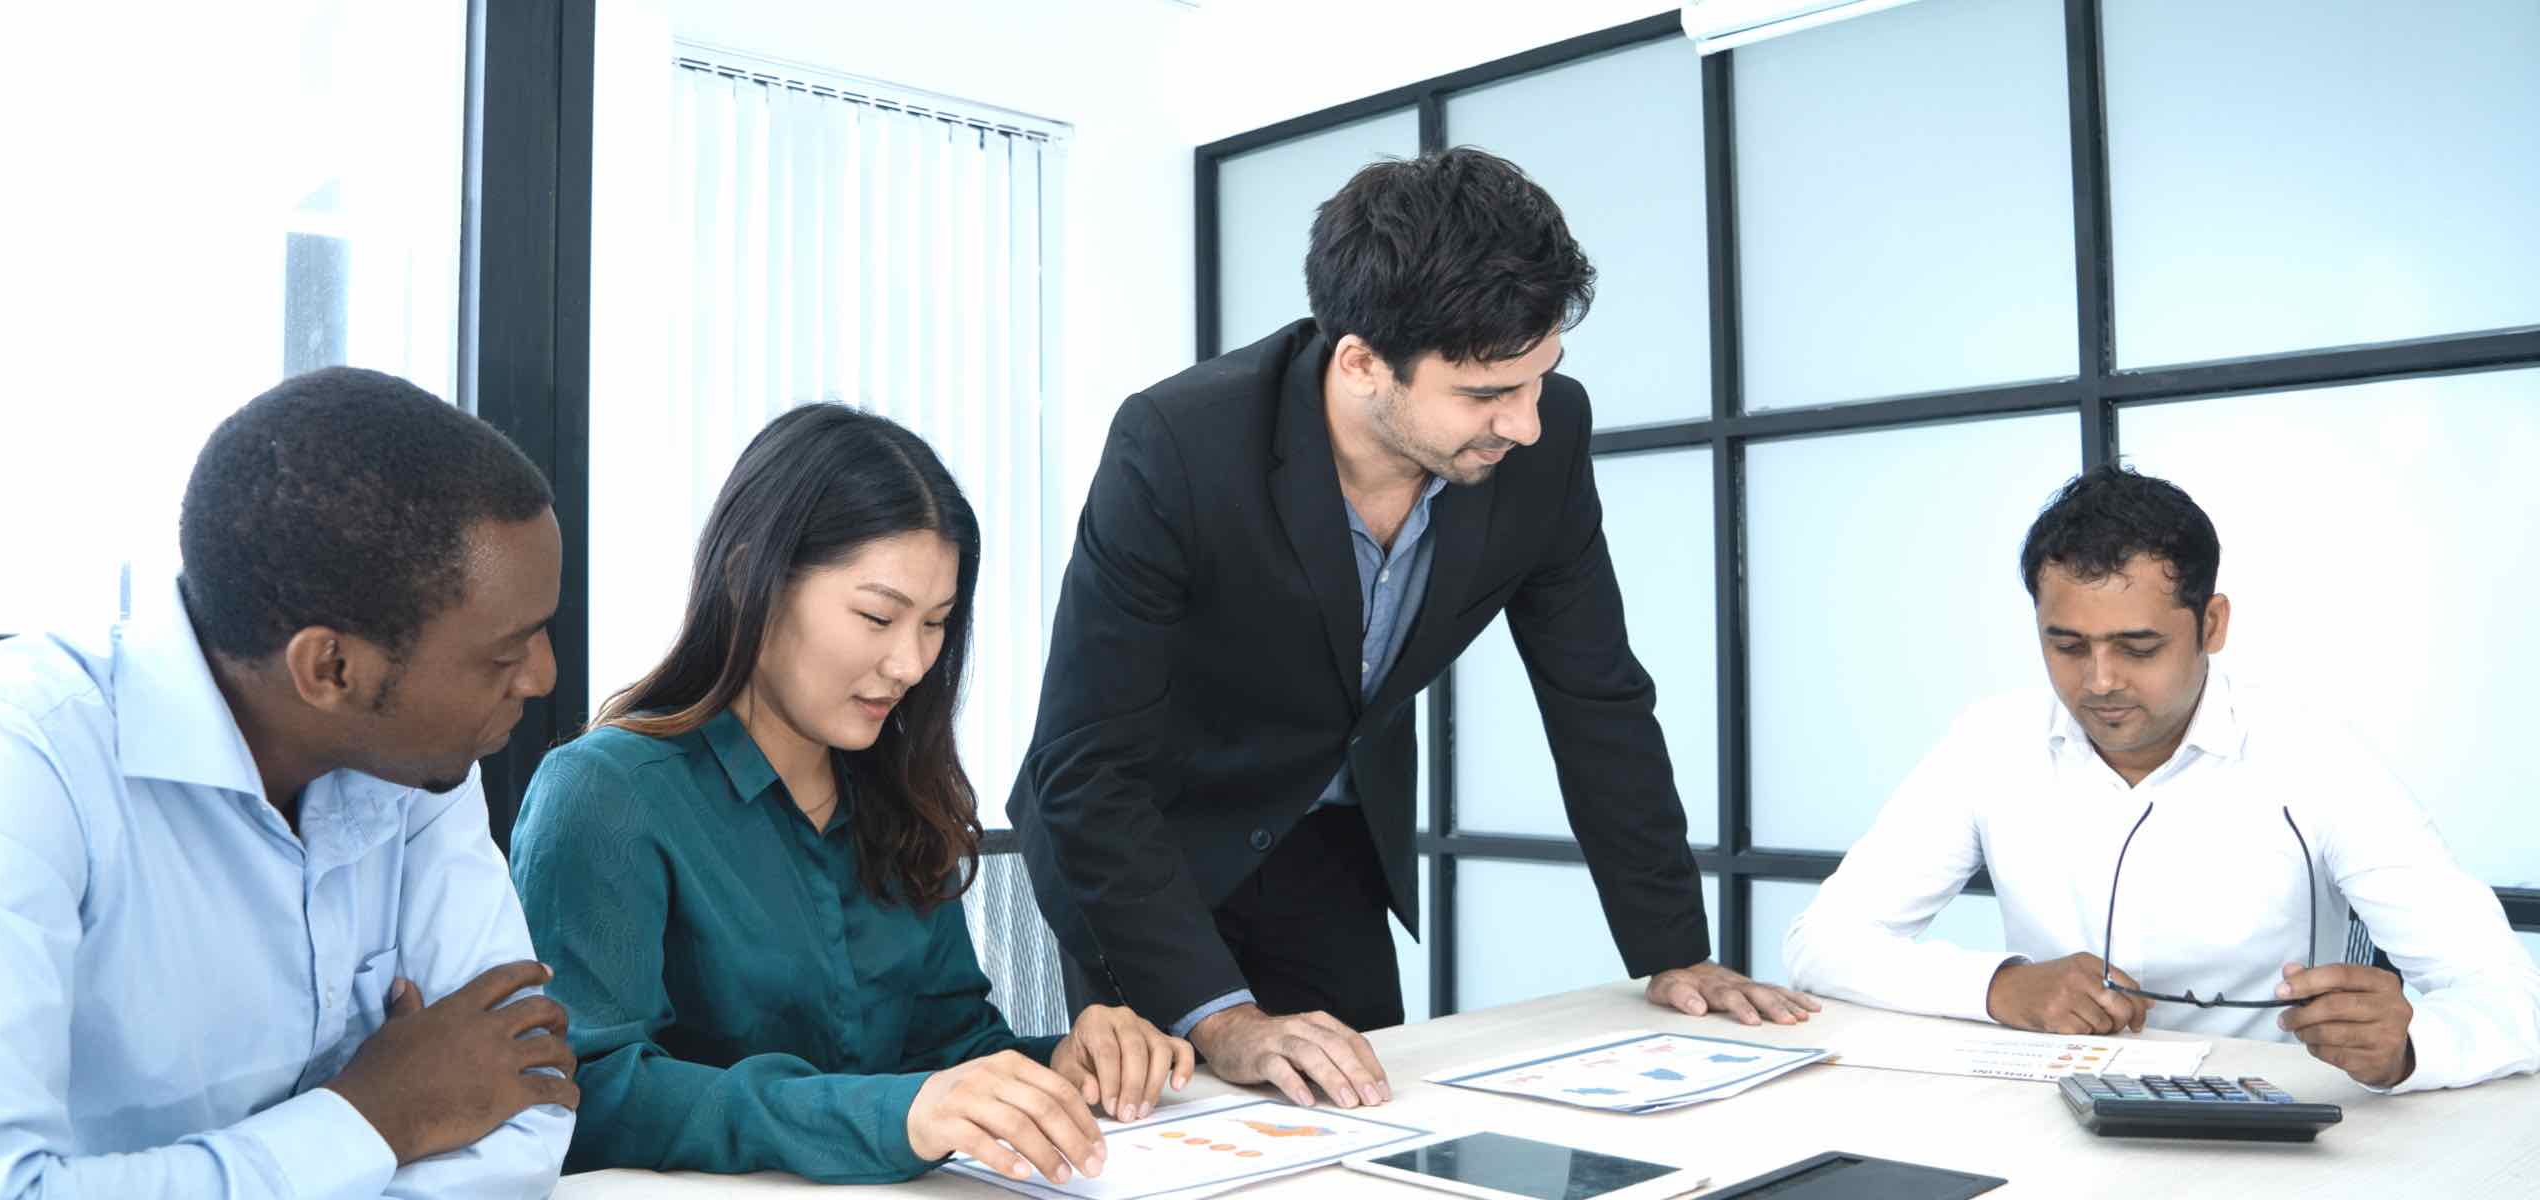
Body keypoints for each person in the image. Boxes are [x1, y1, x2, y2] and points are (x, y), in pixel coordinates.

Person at [1010, 147, 1813, 1114]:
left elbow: (1596, 692)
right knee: (1179, 1139)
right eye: (1484, 395)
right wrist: (1219, 1017)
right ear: (1360, 363)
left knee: (1369, 1121)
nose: (1523, 423)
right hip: (1149, 847)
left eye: (1539, 379)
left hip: (1333, 835)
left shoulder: (1543, 438)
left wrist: (1675, 949)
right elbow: (1087, 763)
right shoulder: (1178, 446)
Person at [0, 367, 581, 1197]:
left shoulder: (416, 756)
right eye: (506, 654)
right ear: (330, 668)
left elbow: (523, 1098)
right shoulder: (11, 755)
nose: (541, 678)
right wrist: (372, 1117)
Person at [511, 404, 1191, 1188]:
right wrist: (891, 1117)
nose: (910, 663)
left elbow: (946, 1049)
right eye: (877, 616)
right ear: (747, 578)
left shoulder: (897, 789)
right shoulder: (606, 795)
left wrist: (1064, 1064)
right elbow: (589, 1094)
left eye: (937, 624)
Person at [1784, 466, 2540, 1092]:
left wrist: (2411, 1048)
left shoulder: (2317, 758)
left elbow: (2514, 996)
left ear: (2211, 624)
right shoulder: (1990, 741)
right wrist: (2001, 987)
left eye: (2138, 646)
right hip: (2046, 1113)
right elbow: (1823, 943)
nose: (2099, 681)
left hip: (2270, 1121)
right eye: (2067, 645)